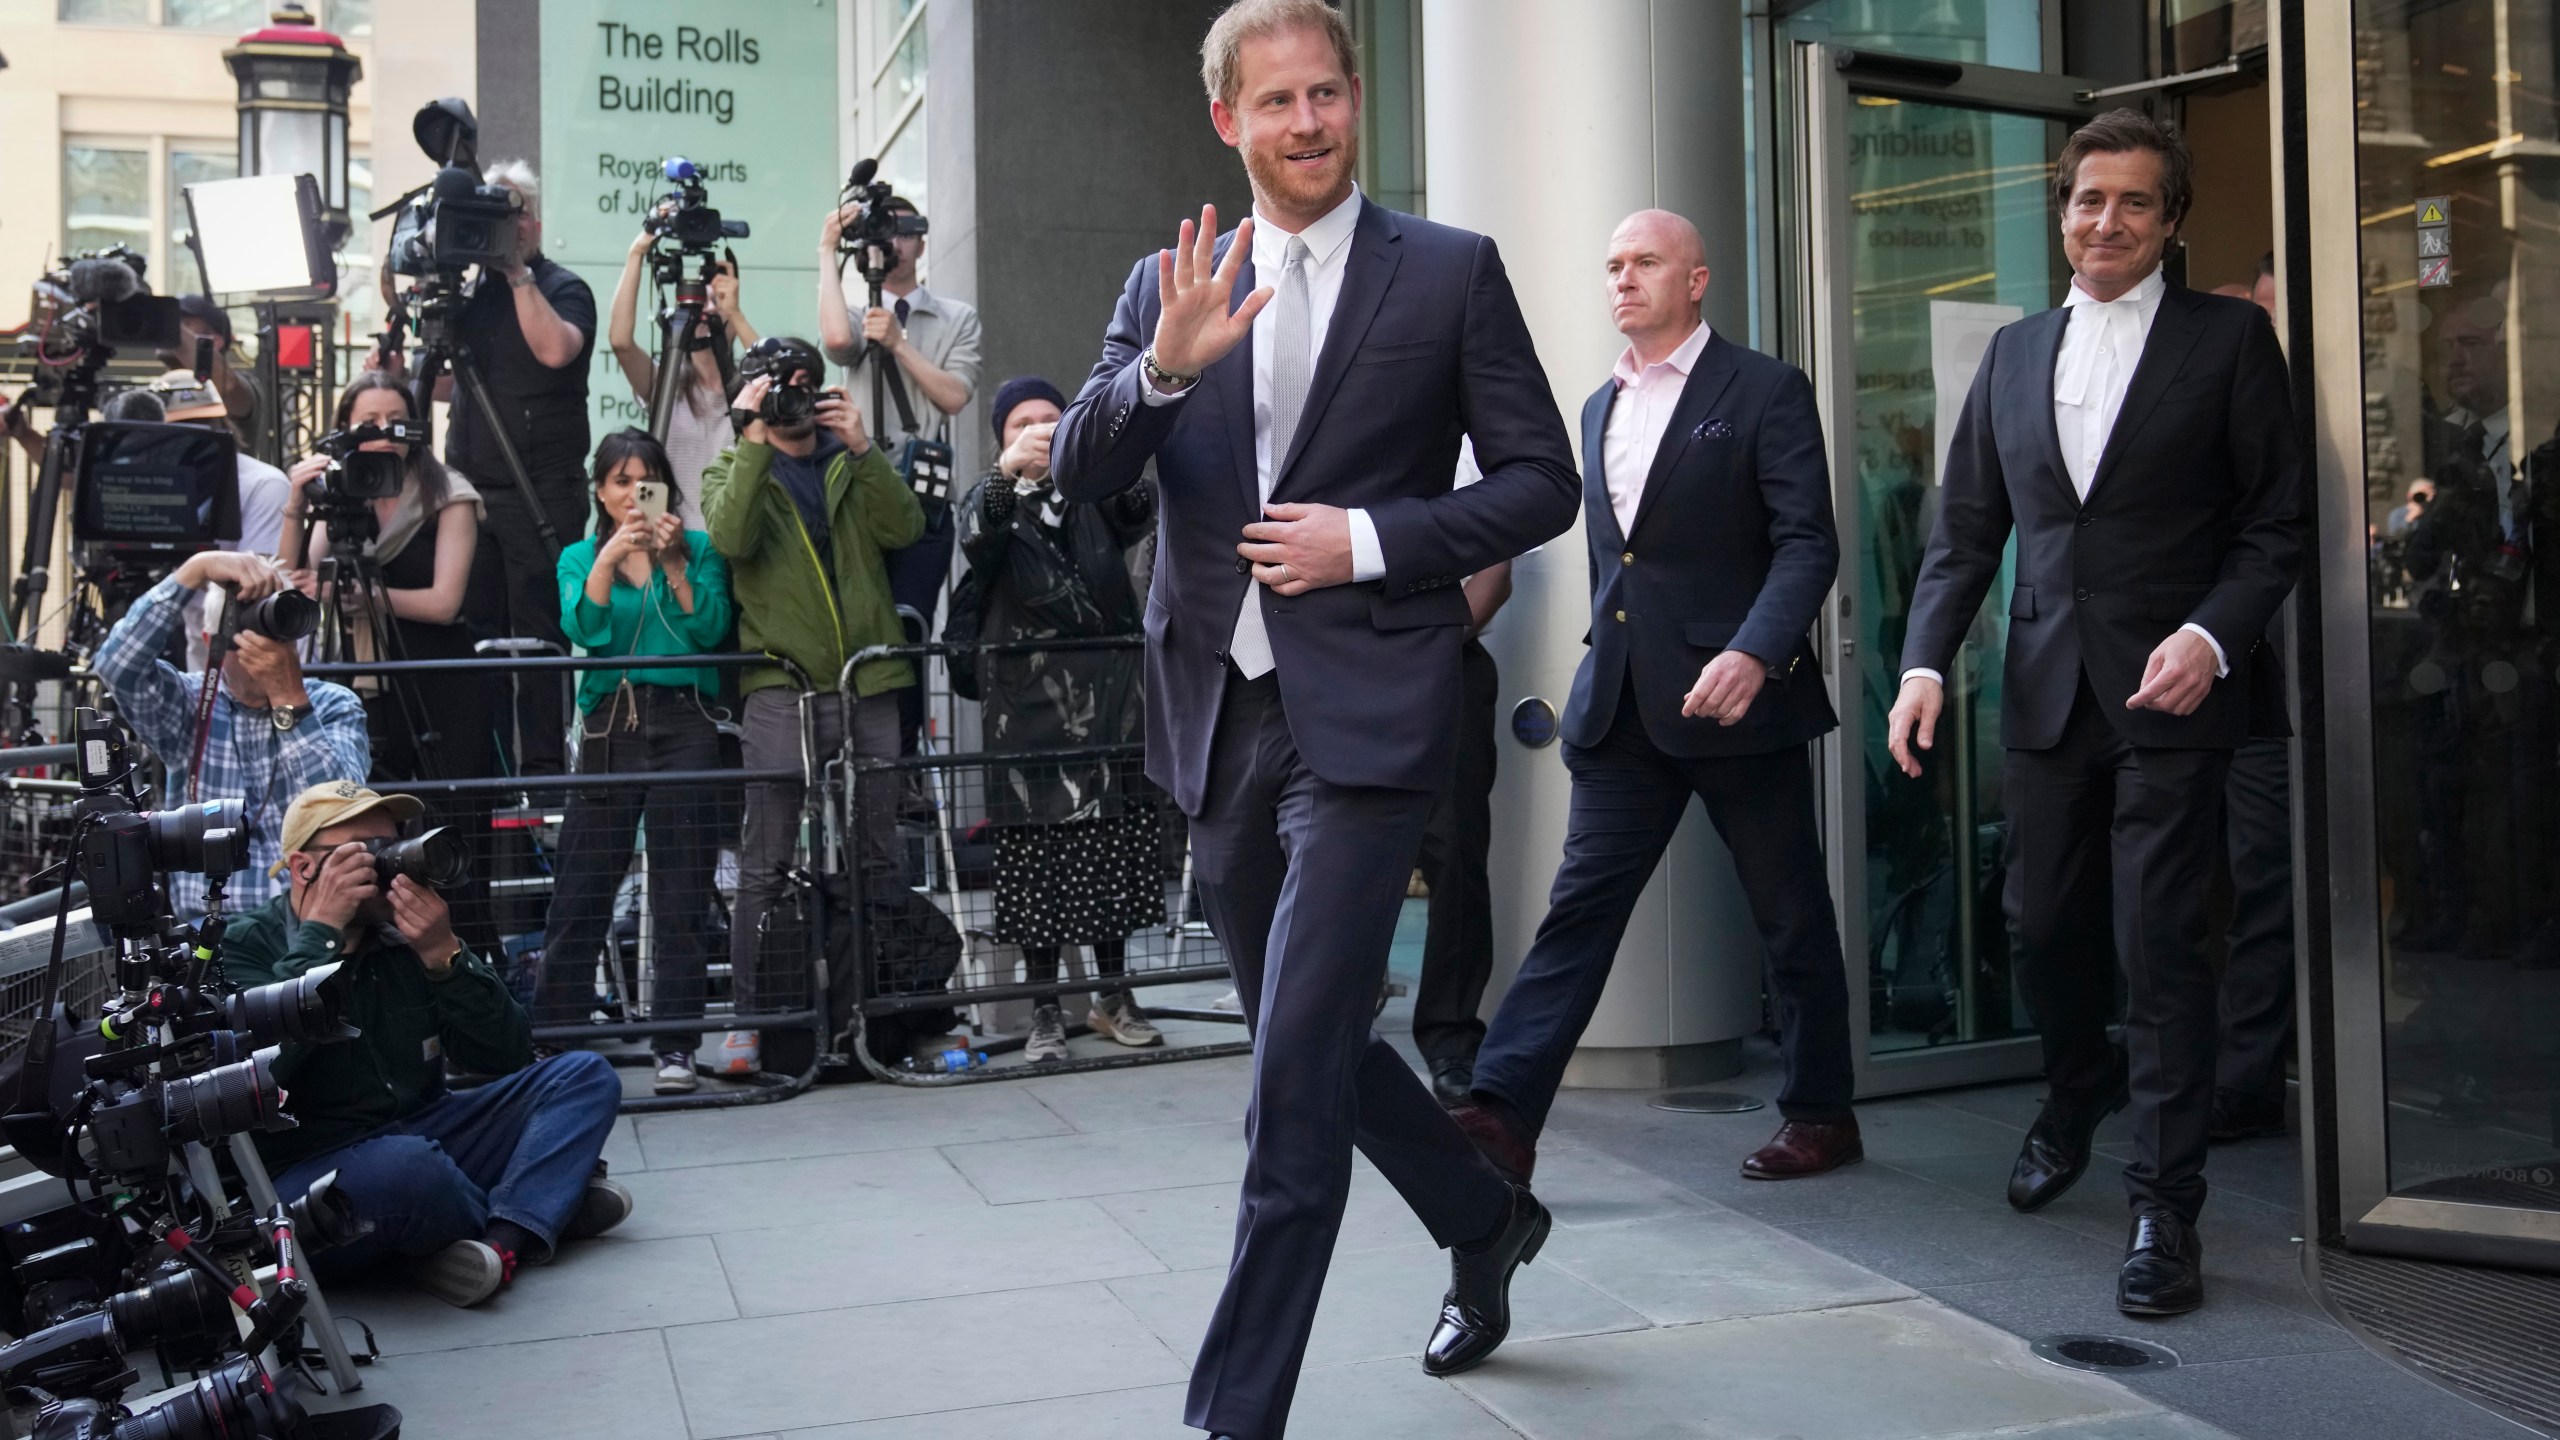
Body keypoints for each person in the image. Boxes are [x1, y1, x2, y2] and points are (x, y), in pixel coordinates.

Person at [1050, 3, 1579, 1431]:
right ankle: (1482, 1214)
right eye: (1275, 101)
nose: (1307, 122)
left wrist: (1374, 539)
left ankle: (1234, 1417)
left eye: (1328, 92)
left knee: (1288, 1086)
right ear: (1229, 119)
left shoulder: (1450, 274)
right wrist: (1164, 369)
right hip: (1220, 716)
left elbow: (1543, 481)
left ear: (1357, 100)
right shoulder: (1174, 278)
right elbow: (1085, 471)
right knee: (1321, 1035)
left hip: (1372, 710)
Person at [1886, 109, 2304, 1318]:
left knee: (2161, 944)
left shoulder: (2229, 342)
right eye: (2083, 199)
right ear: (2059, 212)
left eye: (2130, 201)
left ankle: (2162, 1210)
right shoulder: (2016, 354)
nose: (2103, 221)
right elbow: (1965, 535)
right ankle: (2074, 1085)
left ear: (2169, 220)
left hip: (2175, 694)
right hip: (2044, 692)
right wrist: (1922, 666)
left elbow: (2273, 523)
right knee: (2038, 924)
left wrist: (2212, 635)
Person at [1453, 209, 1859, 1187]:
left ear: (1697, 279)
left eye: (1644, 263)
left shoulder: (1763, 390)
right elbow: (1619, 562)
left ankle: (1820, 1112)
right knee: (1579, 910)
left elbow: (1808, 540)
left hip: (1737, 705)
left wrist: (1757, 652)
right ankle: (1503, 1115)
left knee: (1789, 915)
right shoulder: (1597, 407)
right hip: (1622, 710)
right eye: (1611, 266)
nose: (1623, 280)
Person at [223, 782, 631, 1308]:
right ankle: (541, 1206)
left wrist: (444, 954)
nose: (390, 867)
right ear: (304, 868)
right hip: (306, 1171)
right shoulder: (241, 945)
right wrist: (322, 935)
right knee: (408, 1168)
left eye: (392, 847)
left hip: (423, 1132)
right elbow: (254, 1076)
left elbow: (503, 1056)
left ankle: (501, 1240)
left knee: (584, 1076)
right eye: (367, 854)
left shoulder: (403, 938)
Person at [702, 337, 924, 1062]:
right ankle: (747, 1018)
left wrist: (864, 452)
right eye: (780, 387)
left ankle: (883, 1011)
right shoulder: (733, 467)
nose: (796, 396)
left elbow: (907, 530)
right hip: (782, 685)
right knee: (764, 858)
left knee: (880, 853)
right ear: (754, 395)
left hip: (869, 679)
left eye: (806, 383)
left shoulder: (848, 458)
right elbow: (731, 537)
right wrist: (749, 437)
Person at [960, 377, 1166, 1064]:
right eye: (1025, 422)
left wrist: (1110, 447)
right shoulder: (995, 499)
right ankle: (1046, 1009)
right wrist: (1007, 473)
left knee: (1111, 861)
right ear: (1002, 437)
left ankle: (1115, 994)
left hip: (1108, 711)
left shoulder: (1093, 494)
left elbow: (1139, 506)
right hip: (1025, 720)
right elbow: (975, 533)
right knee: (1036, 873)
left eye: (1055, 419)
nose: (1042, 431)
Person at [377, 159, 596, 775]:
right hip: (468, 489)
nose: (502, 223)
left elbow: (555, 351)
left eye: (511, 211)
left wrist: (515, 272)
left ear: (532, 222)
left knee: (536, 634)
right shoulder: (468, 297)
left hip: (540, 491)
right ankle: (482, 772)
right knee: (475, 633)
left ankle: (546, 780)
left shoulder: (560, 287)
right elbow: (448, 385)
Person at [535, 430, 733, 1094]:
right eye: (620, 482)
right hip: (608, 725)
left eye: (645, 482)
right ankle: (554, 1040)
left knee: (682, 890)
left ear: (667, 491)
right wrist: (607, 562)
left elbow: (708, 630)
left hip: (687, 721)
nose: (632, 495)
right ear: (600, 490)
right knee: (584, 885)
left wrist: (674, 564)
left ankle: (675, 1045)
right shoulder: (579, 554)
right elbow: (582, 630)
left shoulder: (700, 549)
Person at [283, 373, 500, 951]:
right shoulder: (335, 493)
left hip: (436, 688)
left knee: (445, 820)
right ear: (343, 430)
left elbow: (445, 601)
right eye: (366, 422)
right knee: (363, 822)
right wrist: (294, 505)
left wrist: (364, 598)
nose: (380, 434)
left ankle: (470, 959)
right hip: (357, 683)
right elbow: (294, 589)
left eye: (393, 420)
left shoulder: (445, 490)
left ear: (415, 428)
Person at [92, 551, 368, 916]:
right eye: (247, 629)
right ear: (213, 643)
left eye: (275, 627)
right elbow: (116, 665)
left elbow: (341, 809)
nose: (266, 642)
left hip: (313, 923)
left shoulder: (333, 705)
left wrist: (289, 701)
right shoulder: (191, 703)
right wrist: (197, 568)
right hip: (214, 929)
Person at [818, 193, 984, 757]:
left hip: (923, 495)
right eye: (878, 233)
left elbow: (954, 396)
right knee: (859, 627)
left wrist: (898, 343)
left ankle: (904, 761)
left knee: (907, 627)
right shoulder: (849, 307)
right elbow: (838, 346)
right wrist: (825, 252)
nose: (890, 243)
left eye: (900, 230)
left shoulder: (956, 317)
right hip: (858, 487)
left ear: (920, 238)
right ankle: (859, 755)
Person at [1413, 455, 1509, 1104]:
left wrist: (1430, 642)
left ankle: (1450, 1039)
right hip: (1340, 665)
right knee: (1337, 851)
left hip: (1447, 664)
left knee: (1457, 856)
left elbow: (1496, 572)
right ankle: (1330, 1026)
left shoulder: (1467, 436)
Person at [134, 370, 292, 668]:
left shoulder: (263, 485)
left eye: (202, 426)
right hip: (178, 649)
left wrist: (198, 568)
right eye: (176, 430)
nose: (188, 441)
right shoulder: (146, 485)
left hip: (246, 661)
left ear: (222, 427)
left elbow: (254, 593)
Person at [607, 226, 763, 517]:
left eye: (714, 302)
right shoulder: (666, 382)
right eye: (698, 304)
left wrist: (736, 314)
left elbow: (774, 376)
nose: (705, 312)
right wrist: (637, 254)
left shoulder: (749, 386)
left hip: (734, 533)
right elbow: (621, 342)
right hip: (674, 538)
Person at [159, 294, 260, 437]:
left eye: (186, 324)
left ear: (215, 342)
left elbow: (228, 387)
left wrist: (168, 320)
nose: (167, 328)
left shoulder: (245, 385)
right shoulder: (161, 388)